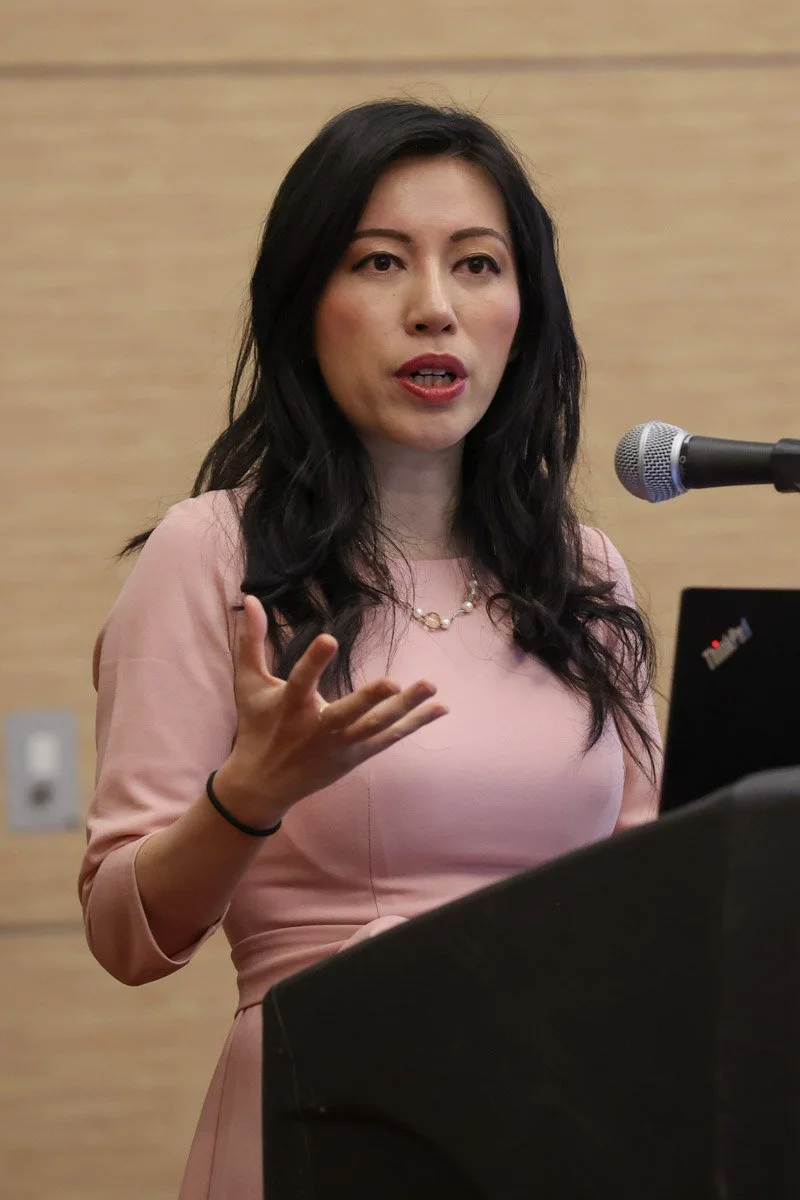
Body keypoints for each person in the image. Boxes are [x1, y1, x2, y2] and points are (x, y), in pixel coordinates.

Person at [78, 98, 662, 1199]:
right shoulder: (212, 553)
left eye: (478, 266)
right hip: (333, 1111)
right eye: (382, 262)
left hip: (562, 1122)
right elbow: (125, 935)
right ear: (306, 304)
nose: (434, 309)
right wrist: (243, 798)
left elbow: (656, 897)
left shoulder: (581, 571)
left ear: (523, 315)